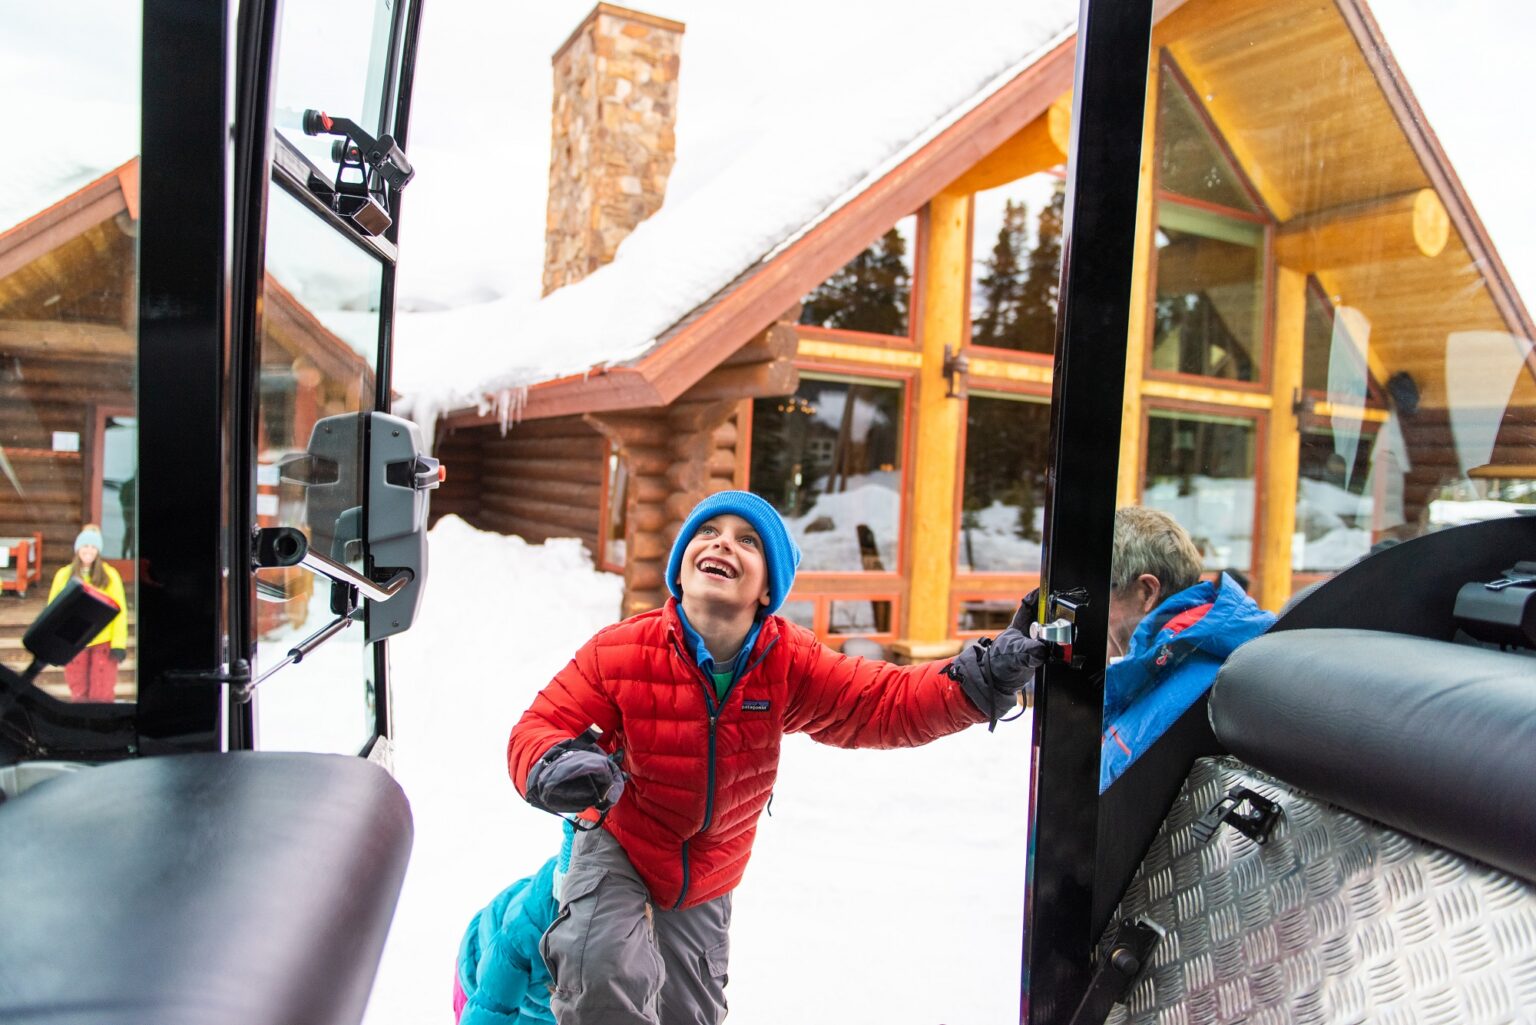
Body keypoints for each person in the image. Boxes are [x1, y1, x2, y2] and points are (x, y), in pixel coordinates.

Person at [507, 490, 1044, 1025]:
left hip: (711, 864)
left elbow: (882, 702)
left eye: (747, 540)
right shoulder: (619, 650)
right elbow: (540, 726)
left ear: (767, 588)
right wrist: (551, 763)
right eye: (707, 532)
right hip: (622, 839)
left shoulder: (788, 661)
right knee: (600, 964)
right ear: (680, 565)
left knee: (689, 1012)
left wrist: (982, 678)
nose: (722, 543)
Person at [1100, 506, 1274, 791]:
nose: (1094, 612)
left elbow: (1109, 814)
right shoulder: (1170, 659)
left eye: (1101, 593)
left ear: (1146, 591)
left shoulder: (1184, 698)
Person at [47, 524, 128, 703]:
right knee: (79, 694)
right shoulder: (64, 575)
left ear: (98, 551)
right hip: (74, 642)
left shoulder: (110, 575)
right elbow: (53, 610)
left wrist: (119, 644)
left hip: (103, 642)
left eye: (93, 547)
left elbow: (120, 612)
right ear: (78, 549)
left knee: (102, 694)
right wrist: (54, 643)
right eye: (85, 546)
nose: (89, 551)